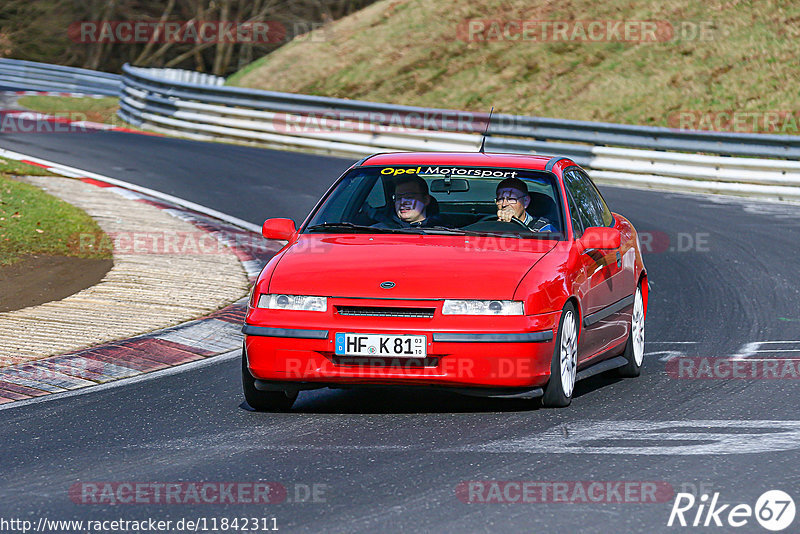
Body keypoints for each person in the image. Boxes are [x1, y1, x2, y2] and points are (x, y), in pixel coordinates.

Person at [374, 175, 443, 228]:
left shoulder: (445, 230)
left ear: (426, 200)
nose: (403, 202)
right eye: (399, 198)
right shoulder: (378, 230)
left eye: (409, 197)